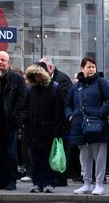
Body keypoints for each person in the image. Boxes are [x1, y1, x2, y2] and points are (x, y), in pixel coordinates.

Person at [65, 57, 109, 195]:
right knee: (84, 155)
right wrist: (71, 115)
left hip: (98, 125)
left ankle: (99, 184)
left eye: (93, 66)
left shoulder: (102, 83)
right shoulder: (76, 86)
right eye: (88, 67)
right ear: (82, 68)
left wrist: (100, 113)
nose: (92, 69)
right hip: (80, 125)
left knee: (99, 156)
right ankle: (87, 183)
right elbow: (68, 104)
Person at [22, 62, 66, 193]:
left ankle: (49, 182)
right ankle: (37, 182)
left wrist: (58, 131)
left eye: (37, 74)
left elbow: (59, 111)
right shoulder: (31, 89)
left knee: (48, 158)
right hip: (33, 130)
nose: (35, 77)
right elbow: (25, 107)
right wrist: (25, 122)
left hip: (49, 131)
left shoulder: (54, 88)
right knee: (36, 159)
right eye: (33, 75)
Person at [0, 51, 26, 190]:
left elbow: (21, 99)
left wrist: (14, 115)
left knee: (11, 153)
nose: (0, 62)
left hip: (10, 123)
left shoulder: (17, 78)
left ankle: (11, 181)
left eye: (3, 60)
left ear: (8, 62)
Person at [39, 57, 72, 186]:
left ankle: (61, 177)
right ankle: (53, 177)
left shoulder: (62, 79)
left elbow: (66, 99)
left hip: (61, 122)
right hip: (49, 122)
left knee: (60, 151)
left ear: (51, 67)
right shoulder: (44, 80)